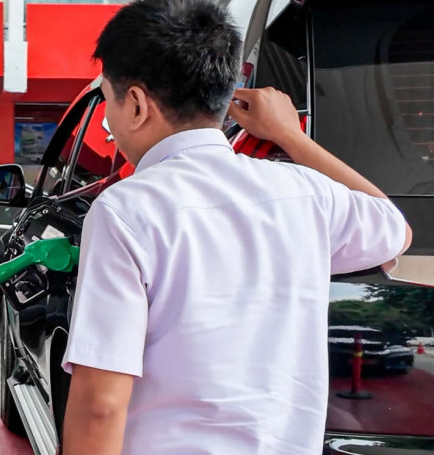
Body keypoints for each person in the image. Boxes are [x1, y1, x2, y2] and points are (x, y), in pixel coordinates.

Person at [60, 1, 412, 454]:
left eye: (108, 99)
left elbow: (100, 406)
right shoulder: (306, 193)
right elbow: (394, 229)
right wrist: (291, 136)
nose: (108, 122)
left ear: (135, 104)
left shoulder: (127, 209)